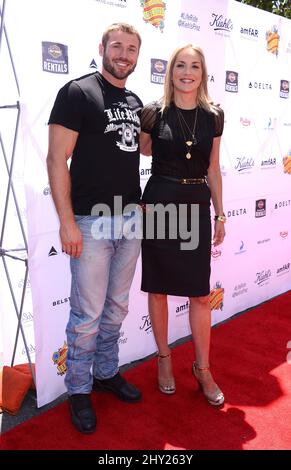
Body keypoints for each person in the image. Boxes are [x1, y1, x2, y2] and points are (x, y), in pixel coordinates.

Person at [47, 23, 143, 434]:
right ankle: (79, 390)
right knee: (86, 314)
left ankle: (106, 372)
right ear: (102, 48)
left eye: (131, 49)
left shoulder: (138, 102)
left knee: (117, 307)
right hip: (90, 221)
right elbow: (56, 159)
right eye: (117, 46)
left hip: (132, 219)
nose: (123, 54)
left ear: (138, 56)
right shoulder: (77, 92)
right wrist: (67, 222)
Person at [140, 44, 225, 405]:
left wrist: (220, 213)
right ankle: (164, 359)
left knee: (200, 294)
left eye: (194, 66)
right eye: (180, 65)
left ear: (202, 73)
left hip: (195, 204)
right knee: (157, 289)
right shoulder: (153, 113)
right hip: (159, 203)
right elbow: (141, 151)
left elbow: (213, 167)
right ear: (170, 72)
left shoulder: (214, 116)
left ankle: (202, 368)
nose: (187, 72)